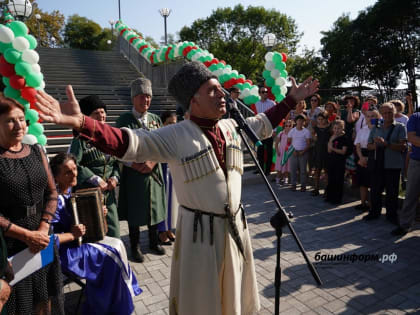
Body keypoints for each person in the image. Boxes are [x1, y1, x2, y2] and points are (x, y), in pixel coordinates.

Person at [35, 62, 319, 315]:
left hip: (236, 231)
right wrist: (83, 123)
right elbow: (129, 143)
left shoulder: (233, 126)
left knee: (235, 300)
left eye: (221, 88)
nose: (222, 94)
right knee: (202, 302)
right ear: (193, 100)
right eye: (212, 90)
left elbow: (265, 123)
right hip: (201, 236)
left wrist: (290, 100)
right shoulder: (175, 135)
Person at [50, 153, 142, 314]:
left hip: (79, 242)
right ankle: (105, 305)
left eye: (74, 169)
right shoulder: (53, 202)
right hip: (65, 253)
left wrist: (98, 212)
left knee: (118, 244)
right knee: (110, 256)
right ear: (56, 177)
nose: (74, 174)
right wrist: (72, 235)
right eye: (67, 172)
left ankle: (113, 298)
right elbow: (49, 239)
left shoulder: (72, 190)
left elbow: (81, 218)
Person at [0, 95, 64, 314]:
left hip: (42, 240)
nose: (19, 125)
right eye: (10, 120)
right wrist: (26, 236)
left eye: (22, 119)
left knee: (45, 301)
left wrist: (43, 228)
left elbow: (52, 192)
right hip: (13, 247)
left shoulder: (36, 150)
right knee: (20, 305)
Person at [116, 77, 166, 263]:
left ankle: (153, 241)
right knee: (135, 210)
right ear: (133, 98)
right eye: (141, 96)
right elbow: (118, 149)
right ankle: (135, 245)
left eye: (148, 97)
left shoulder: (155, 119)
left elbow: (163, 145)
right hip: (134, 173)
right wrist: (135, 165)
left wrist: (153, 162)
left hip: (154, 172)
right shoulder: (124, 120)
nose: (146, 100)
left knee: (154, 207)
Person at [69, 95, 121, 238]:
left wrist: (115, 178)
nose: (101, 115)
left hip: (108, 195)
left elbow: (115, 163)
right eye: (96, 113)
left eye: (102, 111)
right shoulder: (80, 139)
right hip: (89, 194)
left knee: (114, 231)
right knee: (94, 233)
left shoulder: (110, 136)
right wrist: (96, 179)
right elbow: (74, 164)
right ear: (87, 117)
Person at [364, 103, 407, 223]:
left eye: (390, 112)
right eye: (385, 113)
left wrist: (387, 144)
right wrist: (376, 145)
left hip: (393, 164)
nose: (387, 115)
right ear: (381, 114)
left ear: (394, 113)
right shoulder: (376, 127)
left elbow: (403, 147)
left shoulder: (400, 127)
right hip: (378, 164)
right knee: (375, 190)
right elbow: (368, 146)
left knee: (392, 192)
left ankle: (391, 215)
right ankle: (374, 212)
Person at [391, 112, 420, 236]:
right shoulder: (416, 117)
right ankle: (404, 225)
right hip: (417, 161)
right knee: (411, 194)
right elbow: (412, 138)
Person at [157, 111, 178, 245]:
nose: (171, 126)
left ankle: (170, 228)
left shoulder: (177, 136)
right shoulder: (159, 136)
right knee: (163, 201)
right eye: (168, 123)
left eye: (174, 123)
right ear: (162, 123)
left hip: (174, 173)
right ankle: (162, 231)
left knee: (173, 203)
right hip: (162, 172)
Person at [354, 110, 380, 210]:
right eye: (368, 116)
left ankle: (372, 205)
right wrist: (361, 158)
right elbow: (358, 145)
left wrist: (369, 159)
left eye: (373, 116)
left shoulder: (380, 130)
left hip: (375, 156)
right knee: (363, 182)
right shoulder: (362, 130)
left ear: (377, 117)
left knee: (373, 182)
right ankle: (363, 203)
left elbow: (379, 146)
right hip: (362, 156)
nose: (370, 118)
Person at [325, 120, 349, 204]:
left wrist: (333, 148)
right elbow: (329, 151)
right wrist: (331, 141)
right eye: (335, 128)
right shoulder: (332, 137)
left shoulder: (344, 138)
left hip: (340, 162)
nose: (336, 130)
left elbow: (343, 151)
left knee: (338, 180)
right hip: (331, 161)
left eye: (339, 128)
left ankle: (337, 199)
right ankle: (329, 196)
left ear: (342, 128)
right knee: (331, 179)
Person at [255, 86, 276, 175]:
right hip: (260, 130)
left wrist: (274, 129)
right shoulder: (256, 104)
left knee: (269, 151)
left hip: (270, 129)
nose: (265, 93)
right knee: (260, 150)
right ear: (259, 94)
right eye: (263, 92)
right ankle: (260, 169)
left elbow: (275, 117)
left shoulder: (272, 103)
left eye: (266, 92)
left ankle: (267, 170)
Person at [288, 114, 312, 192]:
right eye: (298, 120)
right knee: (293, 170)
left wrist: (303, 151)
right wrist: (293, 150)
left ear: (304, 122)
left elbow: (308, 144)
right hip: (293, 152)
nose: (300, 122)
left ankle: (303, 185)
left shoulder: (306, 131)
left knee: (303, 170)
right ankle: (293, 184)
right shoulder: (292, 130)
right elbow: (289, 142)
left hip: (303, 153)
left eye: (302, 120)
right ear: (296, 121)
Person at [311, 112, 331, 196]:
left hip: (327, 150)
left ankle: (327, 189)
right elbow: (314, 137)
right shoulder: (315, 128)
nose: (320, 121)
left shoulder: (330, 127)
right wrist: (314, 137)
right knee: (317, 170)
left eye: (322, 119)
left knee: (326, 171)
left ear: (326, 119)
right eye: (318, 119)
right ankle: (316, 188)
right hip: (318, 150)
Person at [274, 119, 293, 185]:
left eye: (289, 126)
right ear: (284, 126)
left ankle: (286, 180)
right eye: (286, 126)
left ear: (292, 126)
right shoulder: (281, 133)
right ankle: (277, 180)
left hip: (289, 152)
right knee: (280, 167)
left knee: (287, 167)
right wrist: (277, 151)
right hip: (281, 152)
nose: (288, 127)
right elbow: (276, 143)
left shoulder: (293, 134)